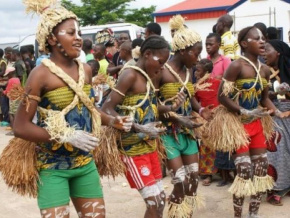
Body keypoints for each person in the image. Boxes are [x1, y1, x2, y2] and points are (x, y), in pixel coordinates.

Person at [4, 1, 132, 217]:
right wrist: (65, 136)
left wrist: (113, 121)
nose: (79, 38)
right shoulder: (40, 74)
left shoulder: (85, 70)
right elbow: (21, 127)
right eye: (71, 33)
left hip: (85, 164)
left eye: (79, 32)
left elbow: (89, 108)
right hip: (52, 169)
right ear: (53, 39)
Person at [218, 26, 289, 218]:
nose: (262, 41)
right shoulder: (236, 66)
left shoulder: (264, 69)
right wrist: (243, 110)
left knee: (260, 172)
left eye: (263, 38)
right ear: (243, 43)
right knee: (243, 174)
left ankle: (253, 214)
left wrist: (275, 112)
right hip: (238, 126)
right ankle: (238, 215)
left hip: (257, 126)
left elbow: (264, 98)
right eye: (256, 38)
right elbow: (222, 97)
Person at [102, 35, 170, 218]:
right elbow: (107, 109)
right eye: (161, 61)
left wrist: (173, 111)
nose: (162, 67)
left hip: (149, 147)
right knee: (154, 203)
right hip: (132, 150)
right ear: (147, 54)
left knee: (161, 200)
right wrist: (140, 128)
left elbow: (150, 108)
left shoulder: (149, 76)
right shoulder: (130, 74)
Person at [158, 15, 212, 217]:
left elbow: (191, 98)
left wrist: (200, 110)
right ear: (183, 51)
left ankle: (185, 214)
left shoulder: (189, 70)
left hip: (187, 132)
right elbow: (151, 105)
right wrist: (172, 112)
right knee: (179, 181)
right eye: (196, 53)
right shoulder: (161, 71)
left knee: (193, 180)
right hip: (168, 134)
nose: (198, 58)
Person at [205, 32, 235, 186]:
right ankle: (213, 173)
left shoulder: (226, 61)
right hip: (209, 109)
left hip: (222, 108)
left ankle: (227, 174)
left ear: (218, 45)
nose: (208, 46)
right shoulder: (205, 62)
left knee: (224, 144)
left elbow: (230, 83)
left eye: (211, 44)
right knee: (210, 143)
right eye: (206, 44)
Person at [264, 39, 290, 205]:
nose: (264, 53)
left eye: (267, 49)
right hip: (274, 114)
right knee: (276, 147)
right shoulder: (264, 71)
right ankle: (276, 188)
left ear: (278, 52)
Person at [194, 59, 219, 186]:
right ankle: (207, 173)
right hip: (205, 119)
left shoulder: (217, 83)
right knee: (206, 146)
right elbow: (195, 103)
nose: (195, 73)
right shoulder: (197, 86)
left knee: (219, 145)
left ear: (207, 71)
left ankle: (222, 171)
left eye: (198, 70)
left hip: (219, 118)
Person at [3, 67, 20, 135]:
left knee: (11, 114)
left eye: (8, 74)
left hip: (13, 99)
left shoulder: (11, 80)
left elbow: (8, 91)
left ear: (11, 73)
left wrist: (3, 92)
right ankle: (17, 129)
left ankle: (13, 130)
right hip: (17, 98)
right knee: (15, 113)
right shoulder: (17, 79)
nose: (7, 76)